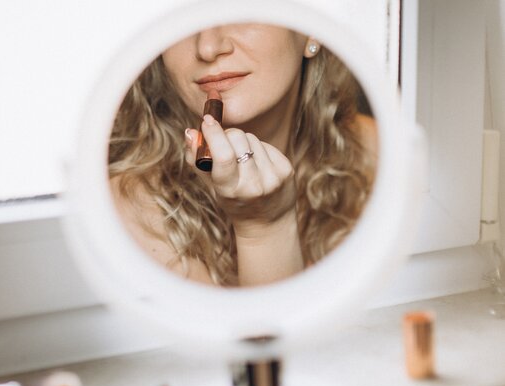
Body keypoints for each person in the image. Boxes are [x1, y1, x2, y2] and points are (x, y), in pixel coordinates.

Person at [109, 23, 377, 287]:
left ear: (310, 28)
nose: (208, 48)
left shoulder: (380, 151)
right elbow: (271, 330)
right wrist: (265, 228)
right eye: (184, 14)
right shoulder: (127, 210)